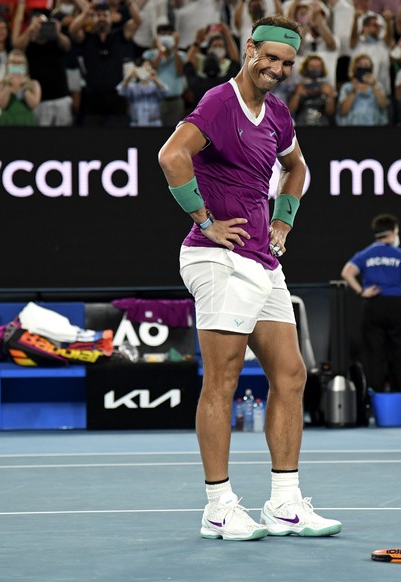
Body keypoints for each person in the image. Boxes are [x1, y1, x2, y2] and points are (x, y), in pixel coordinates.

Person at [157, 15, 342, 541]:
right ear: (249, 49)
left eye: (287, 63)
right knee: (224, 380)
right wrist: (205, 221)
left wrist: (283, 218)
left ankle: (284, 504)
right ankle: (218, 507)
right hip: (217, 259)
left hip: (263, 260)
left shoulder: (279, 113)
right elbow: (172, 156)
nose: (278, 69)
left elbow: (297, 168)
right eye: (272, 58)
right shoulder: (219, 102)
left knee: (290, 375)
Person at [340, 214, 401, 417]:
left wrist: (361, 291)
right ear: (392, 233)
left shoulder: (365, 254)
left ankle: (374, 407)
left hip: (374, 306)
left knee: (374, 357)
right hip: (398, 307)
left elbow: (346, 272)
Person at [68, 0, 143, 127]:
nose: (102, 18)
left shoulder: (120, 35)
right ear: (93, 18)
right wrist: (85, 13)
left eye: (105, 15)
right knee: (90, 138)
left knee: (118, 138)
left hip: (116, 97)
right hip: (92, 97)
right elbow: (73, 30)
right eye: (98, 15)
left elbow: (138, 21)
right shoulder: (87, 38)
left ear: (111, 18)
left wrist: (129, 3)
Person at [14, 7, 74, 127]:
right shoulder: (28, 43)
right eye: (38, 24)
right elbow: (17, 48)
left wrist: (57, 33)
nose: (40, 27)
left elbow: (67, 46)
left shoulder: (55, 40)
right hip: (39, 99)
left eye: (43, 23)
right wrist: (30, 29)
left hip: (60, 97)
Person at [183, 23, 242, 110]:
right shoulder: (227, 83)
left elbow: (188, 64)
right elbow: (235, 61)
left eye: (220, 46)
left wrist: (197, 40)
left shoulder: (196, 83)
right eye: (215, 46)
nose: (218, 48)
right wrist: (228, 35)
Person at [143, 23, 188, 127]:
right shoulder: (150, 54)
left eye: (169, 34)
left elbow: (180, 71)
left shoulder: (181, 55)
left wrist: (175, 48)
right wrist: (161, 50)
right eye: (163, 34)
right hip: (156, 101)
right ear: (158, 37)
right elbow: (151, 71)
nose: (166, 37)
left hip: (176, 101)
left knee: (175, 133)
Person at [335, 53, 389, 125]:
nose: (363, 68)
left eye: (366, 65)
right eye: (360, 65)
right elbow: (343, 111)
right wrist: (353, 91)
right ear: (354, 68)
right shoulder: (346, 87)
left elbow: (383, 105)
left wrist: (373, 86)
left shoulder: (378, 85)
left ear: (370, 68)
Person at [0, 49, 41, 126]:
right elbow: (2, 105)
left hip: (27, 121)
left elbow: (33, 105)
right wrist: (9, 85)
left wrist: (23, 87)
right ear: (8, 65)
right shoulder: (0, 84)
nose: (16, 65)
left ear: (25, 66)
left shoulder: (34, 84)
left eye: (20, 63)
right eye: (13, 62)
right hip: (7, 120)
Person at [287, 53, 336, 126]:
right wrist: (297, 95)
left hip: (323, 126)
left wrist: (329, 96)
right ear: (306, 68)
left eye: (317, 66)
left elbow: (330, 112)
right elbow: (290, 111)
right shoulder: (299, 86)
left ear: (322, 68)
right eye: (312, 66)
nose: (315, 69)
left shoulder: (327, 87)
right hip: (302, 125)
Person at [116, 56, 166, 126]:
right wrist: (128, 77)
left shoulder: (155, 85)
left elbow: (164, 92)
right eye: (143, 67)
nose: (145, 70)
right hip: (136, 123)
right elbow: (121, 91)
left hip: (154, 123)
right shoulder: (133, 86)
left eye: (148, 67)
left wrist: (155, 79)